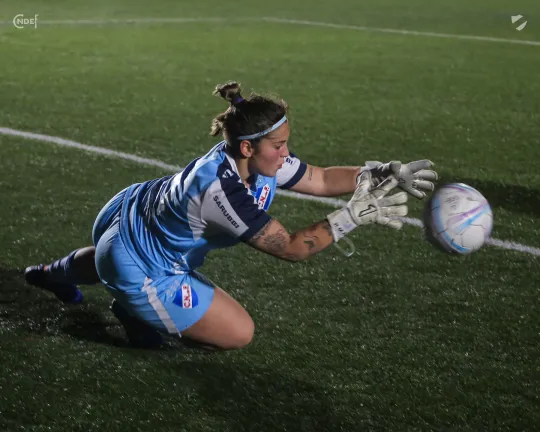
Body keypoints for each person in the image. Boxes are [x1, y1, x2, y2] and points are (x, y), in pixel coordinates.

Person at [24, 81, 438, 350]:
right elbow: (291, 248)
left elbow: (323, 178)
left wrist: (378, 172)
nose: (286, 154)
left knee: (116, 256)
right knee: (239, 333)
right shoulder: (222, 192)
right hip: (140, 263)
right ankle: (131, 307)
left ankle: (52, 273)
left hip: (127, 215)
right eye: (279, 145)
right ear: (247, 148)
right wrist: (350, 218)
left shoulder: (251, 158)